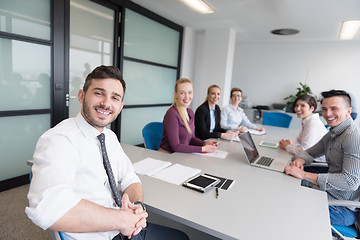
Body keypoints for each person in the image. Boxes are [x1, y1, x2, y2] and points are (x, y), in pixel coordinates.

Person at [25, 65, 189, 240]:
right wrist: (121, 220)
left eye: (115, 97)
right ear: (82, 96)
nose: (106, 103)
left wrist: (137, 207)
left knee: (181, 236)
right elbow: (46, 208)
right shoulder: (60, 139)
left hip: (122, 227)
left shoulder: (109, 137)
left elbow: (130, 179)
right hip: (98, 235)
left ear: (120, 106)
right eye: (98, 93)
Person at [284, 90, 360, 228]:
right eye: (324, 109)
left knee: (287, 207)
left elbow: (351, 182)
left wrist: (303, 174)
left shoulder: (352, 136)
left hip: (341, 208)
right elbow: (310, 152)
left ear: (348, 111)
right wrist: (300, 160)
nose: (327, 114)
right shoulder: (334, 132)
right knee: (285, 188)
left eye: (334, 108)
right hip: (325, 193)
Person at [159, 78, 218, 153]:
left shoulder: (190, 112)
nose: (187, 97)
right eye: (182, 93)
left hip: (182, 154)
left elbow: (191, 139)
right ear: (175, 94)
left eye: (189, 92)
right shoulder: (171, 114)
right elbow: (175, 146)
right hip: (169, 155)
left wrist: (205, 143)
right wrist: (203, 149)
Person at [279, 94, 328, 163]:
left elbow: (304, 152)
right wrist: (289, 142)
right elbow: (299, 139)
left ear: (312, 108)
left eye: (302, 105)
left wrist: (287, 146)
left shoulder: (313, 124)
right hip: (310, 159)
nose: (298, 109)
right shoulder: (307, 120)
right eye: (296, 105)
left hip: (317, 163)